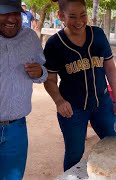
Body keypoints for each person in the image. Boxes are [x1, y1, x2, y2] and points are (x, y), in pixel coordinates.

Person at [43, 0, 116, 171]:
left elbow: (110, 68)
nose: (79, 21)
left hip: (103, 104)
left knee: (114, 144)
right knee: (74, 153)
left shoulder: (98, 35)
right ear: (61, 16)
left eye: (83, 15)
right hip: (72, 109)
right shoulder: (54, 44)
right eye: (72, 16)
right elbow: (49, 79)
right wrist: (59, 101)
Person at [0, 0, 48, 179]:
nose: (12, 18)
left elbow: (44, 72)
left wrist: (39, 72)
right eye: (4, 13)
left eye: (15, 13)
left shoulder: (29, 38)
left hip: (16, 130)